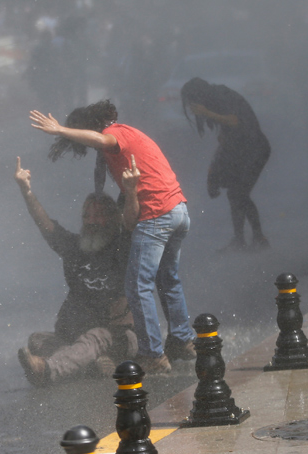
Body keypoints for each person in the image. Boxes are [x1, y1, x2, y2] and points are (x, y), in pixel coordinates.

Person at [29, 100, 195, 375]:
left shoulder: (116, 133)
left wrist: (60, 129)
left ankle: (153, 354)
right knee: (167, 279)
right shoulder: (128, 138)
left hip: (157, 214)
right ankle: (181, 340)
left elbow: (100, 138)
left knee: (138, 286)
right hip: (178, 211)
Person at [14, 157, 136, 386]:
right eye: (87, 216)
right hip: (79, 333)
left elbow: (131, 222)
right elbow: (46, 225)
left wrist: (131, 192)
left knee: (94, 338)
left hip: (120, 335)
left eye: (99, 215)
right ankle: (94, 364)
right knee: (37, 341)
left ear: (112, 218)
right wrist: (26, 191)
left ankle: (48, 370)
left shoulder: (122, 247)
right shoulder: (75, 247)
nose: (92, 221)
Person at [181, 77, 271, 252]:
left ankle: (258, 238)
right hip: (243, 150)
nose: (191, 107)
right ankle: (242, 240)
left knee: (238, 193)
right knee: (235, 194)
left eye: (191, 101)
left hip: (256, 149)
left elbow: (235, 120)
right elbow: (227, 132)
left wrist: (206, 112)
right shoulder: (215, 98)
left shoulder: (220, 95)